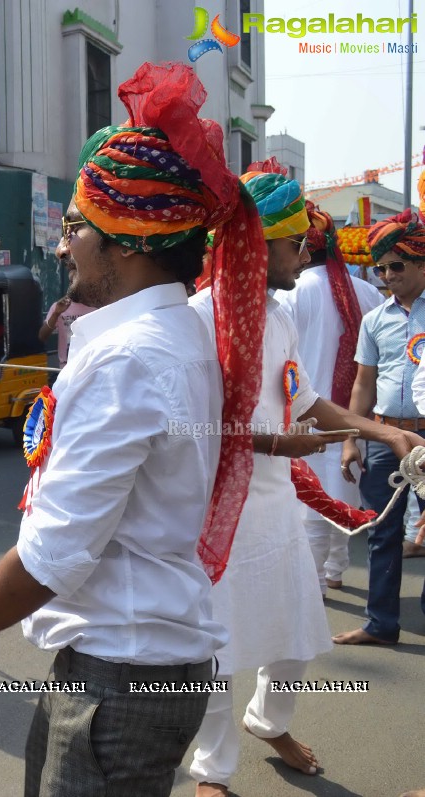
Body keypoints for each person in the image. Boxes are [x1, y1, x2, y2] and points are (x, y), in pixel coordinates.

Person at [0, 61, 270, 796]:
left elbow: (53, 555)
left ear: (131, 242)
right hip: (126, 662)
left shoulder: (130, 357)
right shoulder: (173, 332)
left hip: (123, 677)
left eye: (78, 227)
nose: (64, 242)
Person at [187, 161, 422, 796]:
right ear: (255, 247)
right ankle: (213, 769)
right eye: (293, 245)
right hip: (216, 510)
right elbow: (188, 428)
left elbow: (309, 398)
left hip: (275, 504)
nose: (303, 255)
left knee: (292, 630)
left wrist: (381, 431)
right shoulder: (200, 317)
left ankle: (269, 721)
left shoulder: (279, 314)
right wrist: (271, 442)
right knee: (216, 644)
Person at [274, 201, 384, 592]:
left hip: (305, 412)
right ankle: (335, 571)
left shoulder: (291, 293)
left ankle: (315, 583)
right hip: (354, 415)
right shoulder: (370, 292)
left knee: (312, 510)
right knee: (343, 498)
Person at [335, 208, 425, 646]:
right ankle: (380, 624)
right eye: (382, 267)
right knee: (381, 532)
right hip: (384, 437)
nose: (388, 275)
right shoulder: (375, 320)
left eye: (397, 265)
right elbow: (363, 384)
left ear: (422, 262)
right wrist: (352, 439)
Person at [38, 295, 93, 368]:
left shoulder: (96, 306)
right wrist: (56, 313)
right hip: (66, 365)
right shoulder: (59, 306)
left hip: (90, 363)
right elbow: (42, 336)